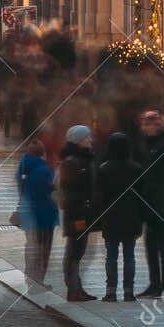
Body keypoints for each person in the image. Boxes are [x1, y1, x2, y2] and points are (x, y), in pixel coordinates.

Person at [96, 131, 144, 301]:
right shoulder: (136, 169)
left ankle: (110, 291)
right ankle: (129, 291)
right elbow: (141, 197)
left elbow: (100, 196)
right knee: (129, 256)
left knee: (111, 256)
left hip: (111, 217)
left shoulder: (104, 169)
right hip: (131, 217)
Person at [135, 109, 164, 297]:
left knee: (162, 245)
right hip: (149, 202)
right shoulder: (145, 144)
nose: (145, 128)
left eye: (149, 124)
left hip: (161, 203)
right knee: (152, 245)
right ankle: (155, 283)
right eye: (144, 124)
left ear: (156, 125)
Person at [58, 125, 98, 301]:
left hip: (83, 214)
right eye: (87, 137)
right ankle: (73, 290)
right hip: (77, 216)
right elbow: (70, 192)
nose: (90, 140)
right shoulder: (72, 162)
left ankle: (77, 288)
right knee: (74, 252)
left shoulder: (83, 160)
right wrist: (80, 214)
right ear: (78, 140)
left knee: (78, 252)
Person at [15, 138, 59, 287]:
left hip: (28, 214)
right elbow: (51, 192)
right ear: (43, 153)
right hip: (44, 217)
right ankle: (37, 282)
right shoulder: (44, 170)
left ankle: (30, 279)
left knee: (31, 246)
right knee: (43, 249)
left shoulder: (22, 166)